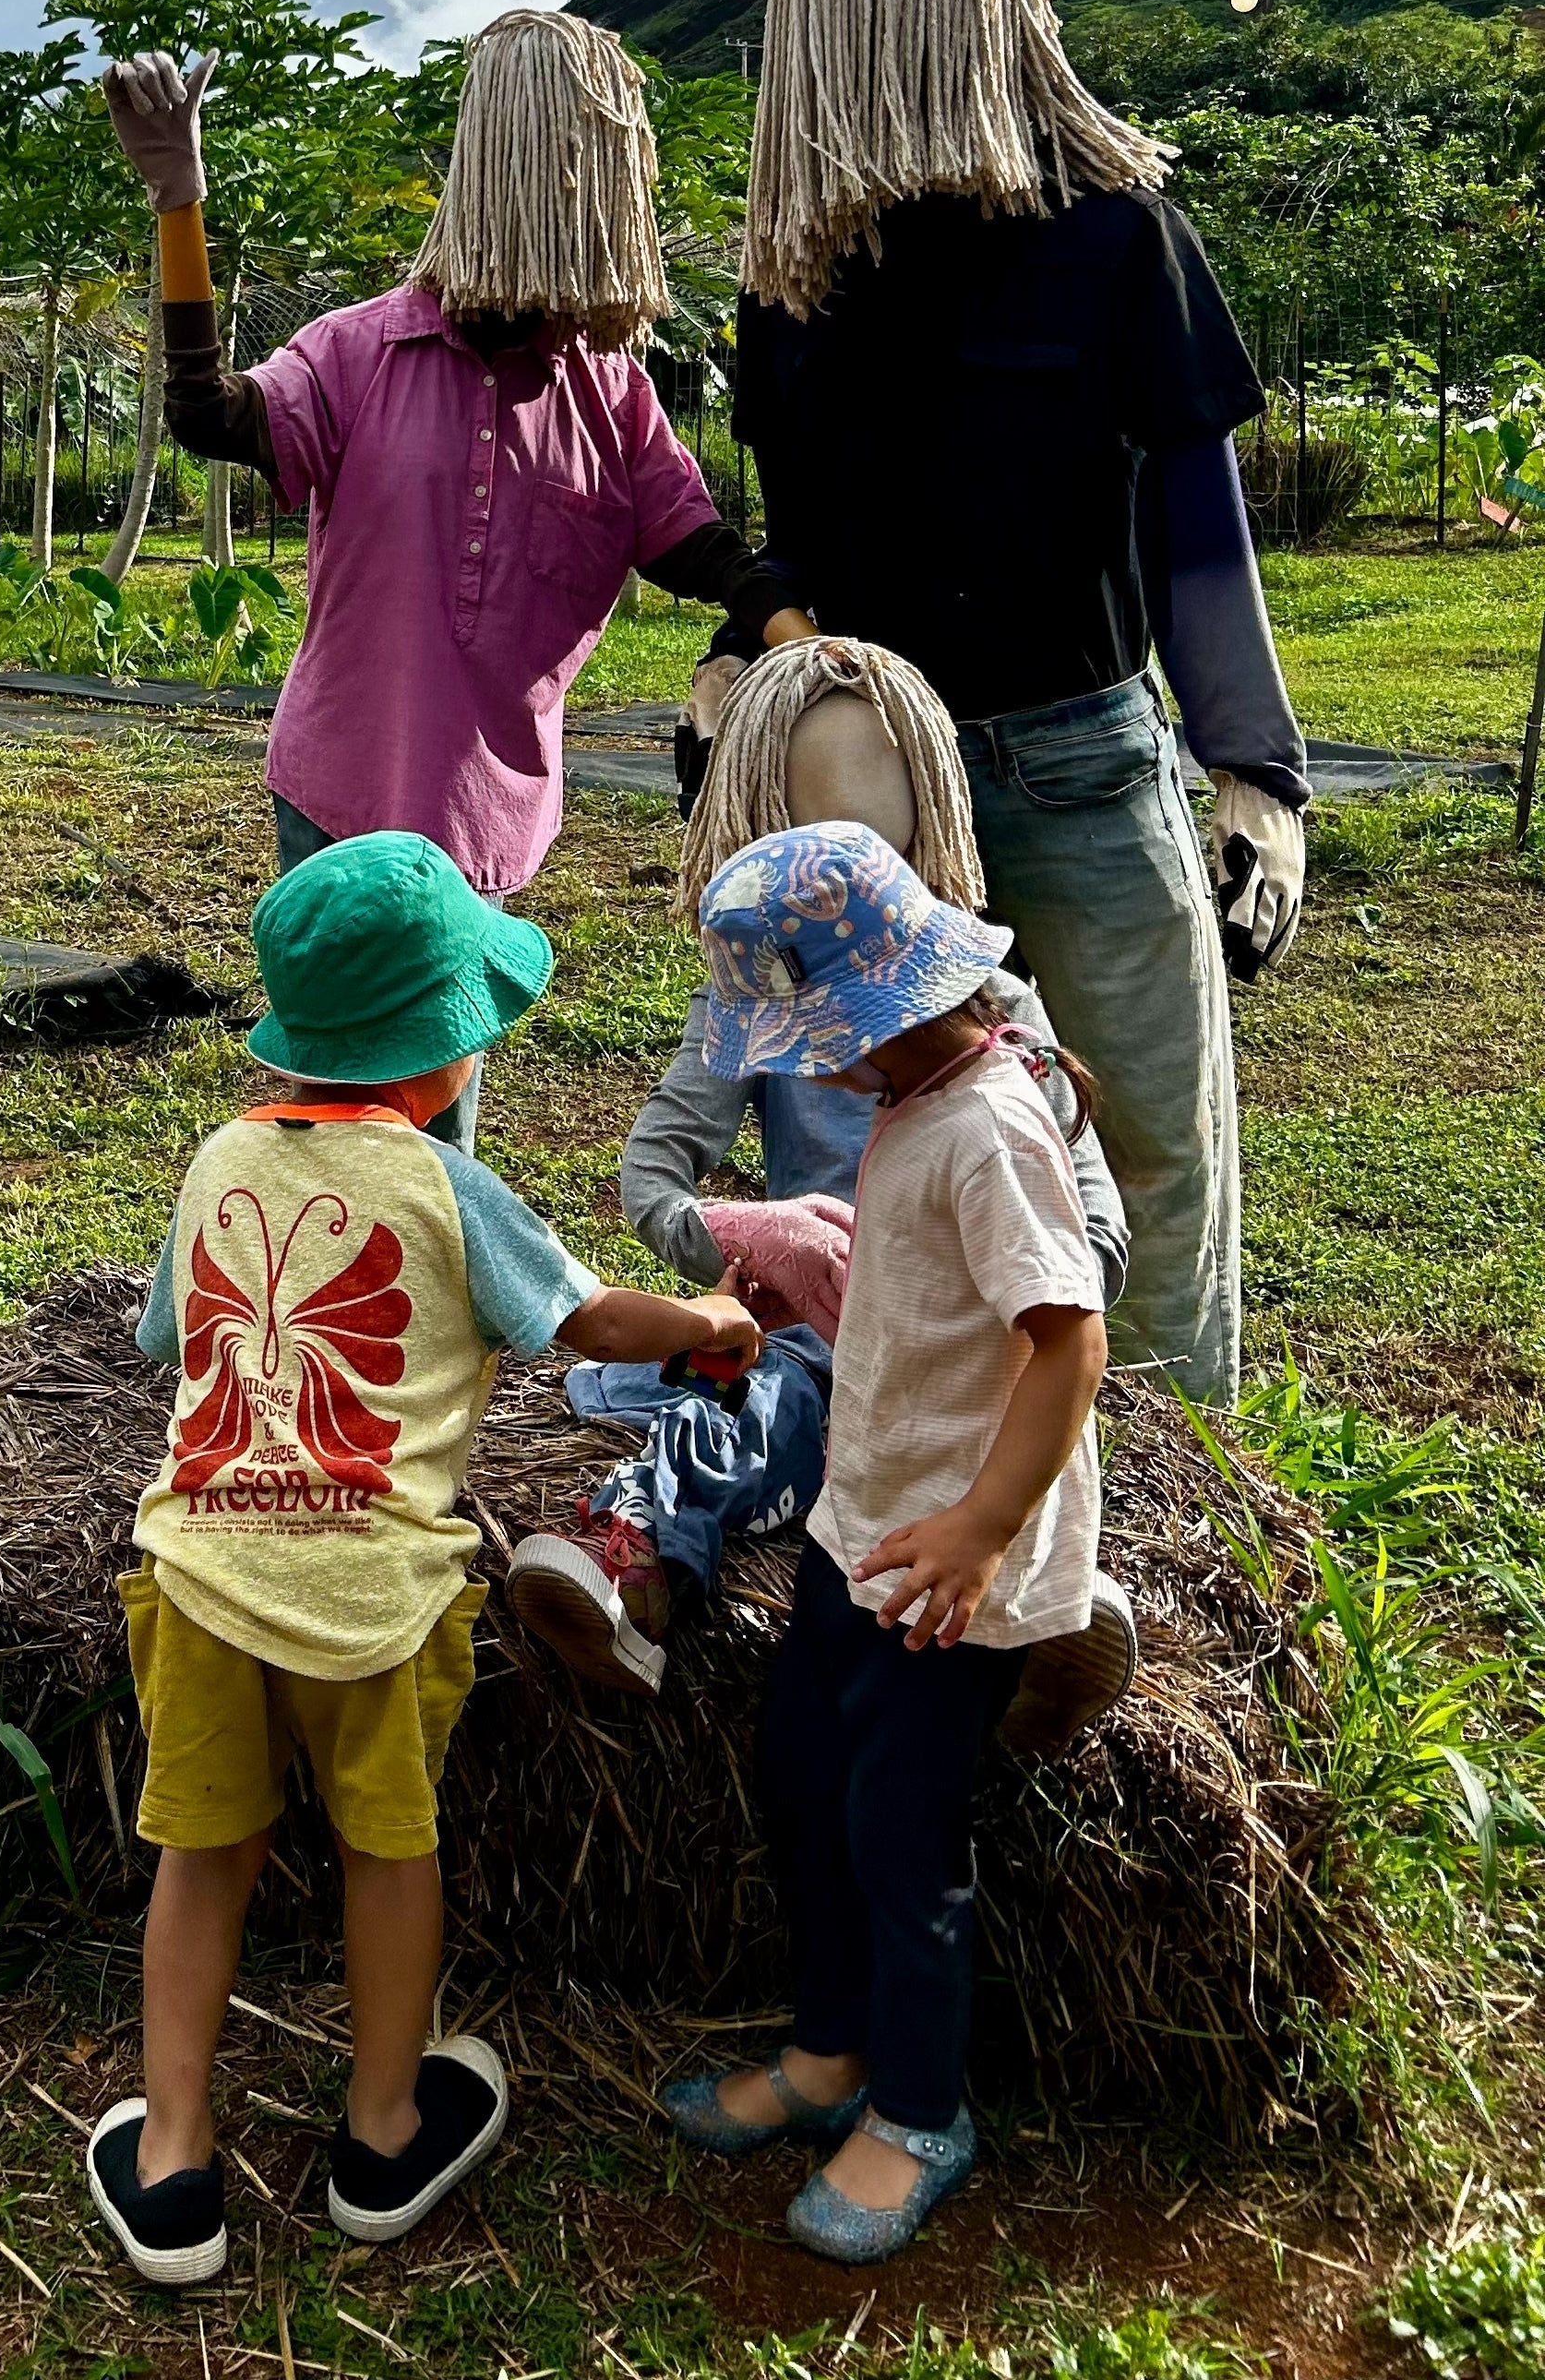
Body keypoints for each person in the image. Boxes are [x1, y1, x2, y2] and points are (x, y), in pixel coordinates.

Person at [86, 829, 760, 2289]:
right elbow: (591, 1327)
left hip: (200, 1577)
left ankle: (172, 2163)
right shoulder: (450, 1192)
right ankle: (384, 2132)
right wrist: (709, 1323)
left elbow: (163, 1340)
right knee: (392, 1854)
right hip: (374, 1601)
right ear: (448, 1050)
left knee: (200, 1857)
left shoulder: (215, 1162)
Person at [711, 0, 1310, 1400]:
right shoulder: (789, 281)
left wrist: (1252, 765)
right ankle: (863, 1487)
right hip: (859, 780)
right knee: (852, 1161)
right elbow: (796, 539)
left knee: (1150, 1139)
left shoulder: (1114, 238)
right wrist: (747, 644)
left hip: (1080, 759)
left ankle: (1173, 1515)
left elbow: (1194, 527)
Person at [102, 7, 806, 1148]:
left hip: (480, 820)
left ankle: (420, 1317)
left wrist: (790, 627)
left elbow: (691, 541)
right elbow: (207, 415)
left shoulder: (607, 390)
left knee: (436, 1125)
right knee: (331, 1114)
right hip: (337, 794)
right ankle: (310, 1308)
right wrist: (179, 203)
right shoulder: (359, 349)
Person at [503, 637, 1134, 1765]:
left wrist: (985, 1278)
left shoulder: (999, 1017)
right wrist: (756, 1242)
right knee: (758, 1404)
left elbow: (1085, 1255)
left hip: (968, 1334)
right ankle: (636, 1546)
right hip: (825, 1332)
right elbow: (653, 1172)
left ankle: (1044, 1611)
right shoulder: (757, 992)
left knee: (1004, 1428)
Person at [656, 820, 1109, 2267]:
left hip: (946, 1560)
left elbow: (1069, 1339)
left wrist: (985, 1528)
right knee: (805, 1776)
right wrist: (816, 1301)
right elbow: (937, 1290)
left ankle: (920, 2108)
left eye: (810, 1036)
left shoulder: (989, 1126)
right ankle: (829, 2050)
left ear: (880, 1013)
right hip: (868, 1530)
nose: (807, 1067)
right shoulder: (923, 1101)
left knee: (900, 1834)